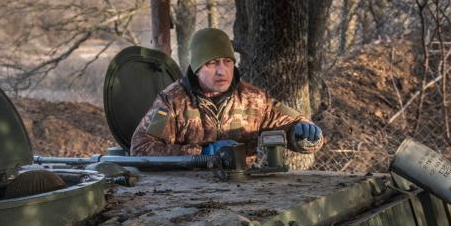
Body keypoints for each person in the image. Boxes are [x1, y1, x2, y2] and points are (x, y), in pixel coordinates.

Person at [130, 28, 324, 164]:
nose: (222, 71)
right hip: (187, 191)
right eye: (212, 63)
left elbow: (293, 123)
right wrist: (203, 153)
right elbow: (141, 148)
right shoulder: (172, 101)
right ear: (197, 68)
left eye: (227, 62)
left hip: (243, 189)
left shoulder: (254, 99)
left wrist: (303, 135)